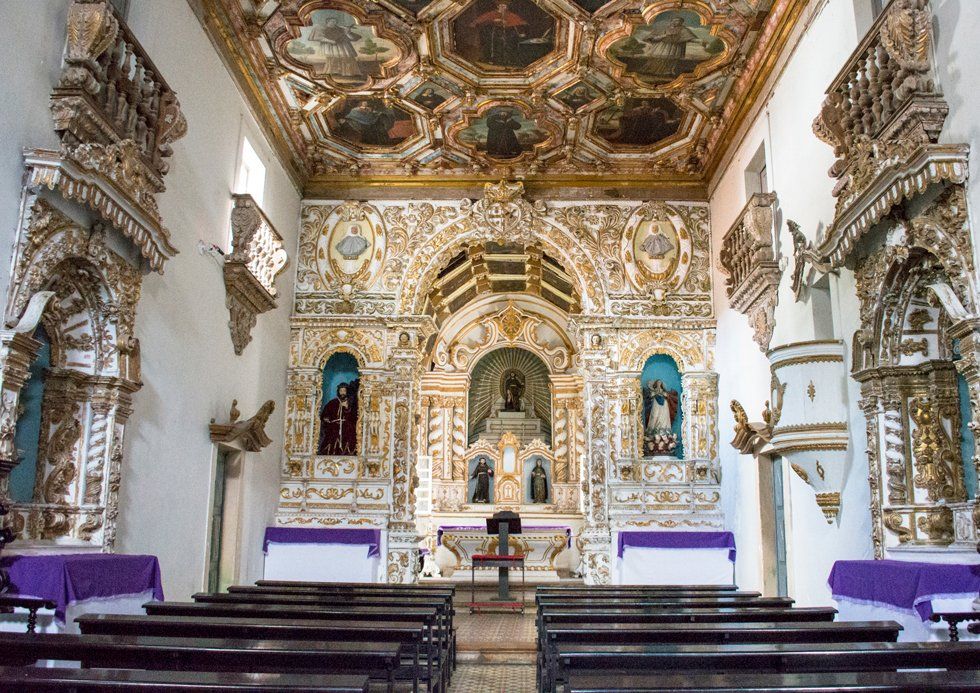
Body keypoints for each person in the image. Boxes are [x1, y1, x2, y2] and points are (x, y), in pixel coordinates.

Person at [639, 16, 707, 79]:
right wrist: (664, 36)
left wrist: (700, 41)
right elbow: (653, 38)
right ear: (671, 21)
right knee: (657, 59)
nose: (676, 22)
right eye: (675, 20)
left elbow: (690, 38)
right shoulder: (664, 28)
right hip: (662, 46)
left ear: (681, 22)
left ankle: (667, 72)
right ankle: (648, 70)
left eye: (678, 21)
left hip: (675, 48)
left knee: (671, 61)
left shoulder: (683, 29)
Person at [470, 2, 528, 67]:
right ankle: (493, 60)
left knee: (509, 45)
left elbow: (519, 22)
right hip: (494, 34)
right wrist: (493, 21)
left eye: (504, 6)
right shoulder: (492, 13)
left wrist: (518, 30)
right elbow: (481, 19)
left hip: (507, 35)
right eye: (501, 6)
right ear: (498, 6)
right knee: (494, 45)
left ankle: (508, 61)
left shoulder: (510, 14)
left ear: (506, 7)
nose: (503, 7)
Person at [318, 381, 358, 455]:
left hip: (347, 428)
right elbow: (324, 414)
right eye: (341, 391)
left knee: (349, 435)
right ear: (338, 392)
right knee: (331, 437)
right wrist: (326, 419)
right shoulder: (332, 403)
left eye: (344, 391)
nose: (342, 393)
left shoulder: (351, 404)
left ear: (347, 392)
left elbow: (354, 416)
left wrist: (346, 407)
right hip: (334, 427)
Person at [644, 379, 679, 455]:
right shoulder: (653, 390)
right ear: (656, 383)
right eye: (658, 383)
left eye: (660, 383)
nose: (659, 384)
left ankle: (664, 433)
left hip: (664, 406)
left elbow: (667, 396)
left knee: (664, 417)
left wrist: (662, 393)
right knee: (654, 416)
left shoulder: (664, 391)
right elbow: (650, 396)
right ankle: (653, 432)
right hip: (656, 405)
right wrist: (655, 393)